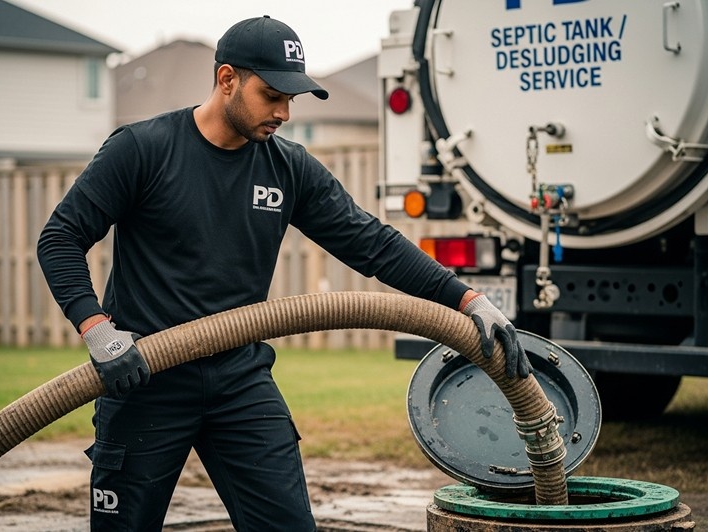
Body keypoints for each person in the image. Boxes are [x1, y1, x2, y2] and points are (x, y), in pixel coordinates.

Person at [37, 15, 531, 531]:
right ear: (227, 79)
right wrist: (96, 328)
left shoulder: (286, 167)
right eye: (272, 95)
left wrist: (466, 299)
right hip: (144, 376)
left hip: (239, 381)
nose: (284, 112)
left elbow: (372, 243)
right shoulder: (142, 149)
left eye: (291, 99)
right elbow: (61, 238)